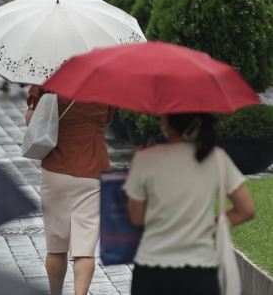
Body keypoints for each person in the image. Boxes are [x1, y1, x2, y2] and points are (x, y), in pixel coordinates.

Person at [124, 113, 255, 295]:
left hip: (152, 268)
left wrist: (136, 166)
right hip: (200, 269)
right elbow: (246, 210)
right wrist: (212, 226)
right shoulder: (216, 158)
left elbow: (137, 218)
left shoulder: (146, 159)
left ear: (166, 121)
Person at [26, 85, 116, 295]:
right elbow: (106, 121)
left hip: (55, 166)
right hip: (92, 166)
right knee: (84, 248)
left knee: (56, 246)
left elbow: (31, 121)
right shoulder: (104, 81)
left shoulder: (49, 77)